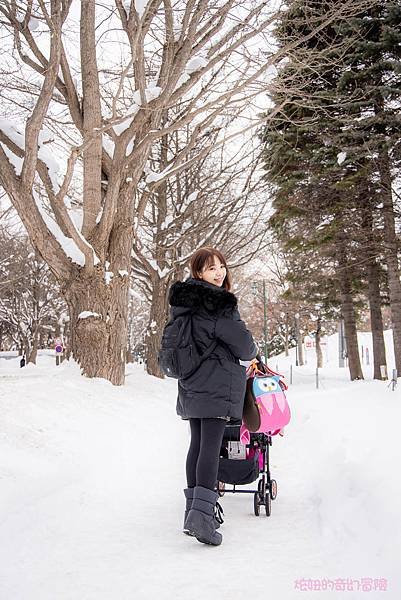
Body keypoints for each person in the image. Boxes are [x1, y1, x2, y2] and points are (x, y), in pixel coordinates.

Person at [167, 247, 257, 546]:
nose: (219, 272)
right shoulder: (218, 304)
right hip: (216, 384)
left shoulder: (184, 305)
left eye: (221, 266)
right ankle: (203, 519)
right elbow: (245, 347)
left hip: (191, 383)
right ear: (198, 273)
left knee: (197, 445)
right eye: (210, 268)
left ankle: (192, 512)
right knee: (209, 447)